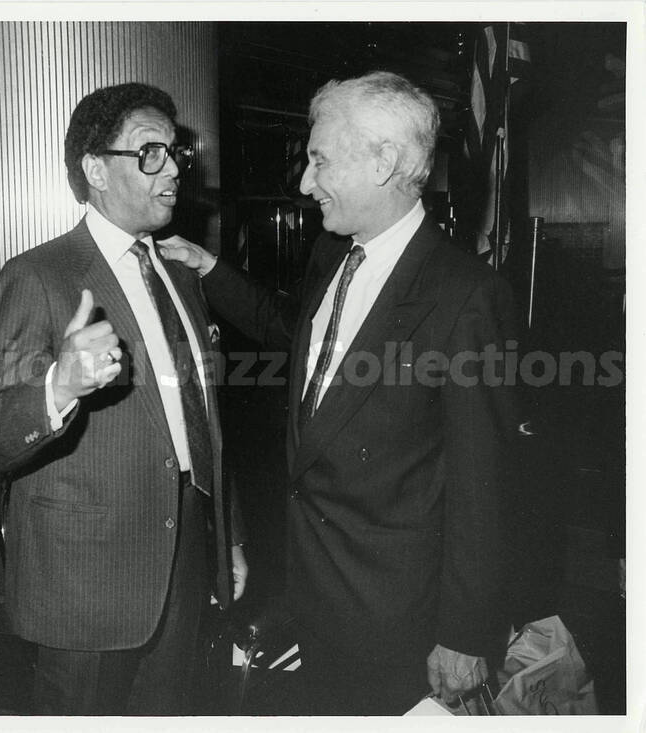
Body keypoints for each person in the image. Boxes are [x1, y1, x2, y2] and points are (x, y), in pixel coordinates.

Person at [160, 71, 521, 715]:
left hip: (395, 620)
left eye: (320, 159)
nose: (304, 181)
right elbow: (297, 332)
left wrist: (463, 635)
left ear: (383, 163)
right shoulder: (332, 253)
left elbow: (482, 483)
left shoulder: (465, 295)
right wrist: (209, 269)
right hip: (312, 591)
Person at [0, 82, 247, 715]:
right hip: (86, 575)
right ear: (96, 169)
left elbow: (203, 417)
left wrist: (228, 536)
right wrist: (59, 385)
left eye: (175, 152)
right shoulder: (40, 275)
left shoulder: (179, 273)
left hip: (186, 552)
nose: (173, 168)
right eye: (150, 153)